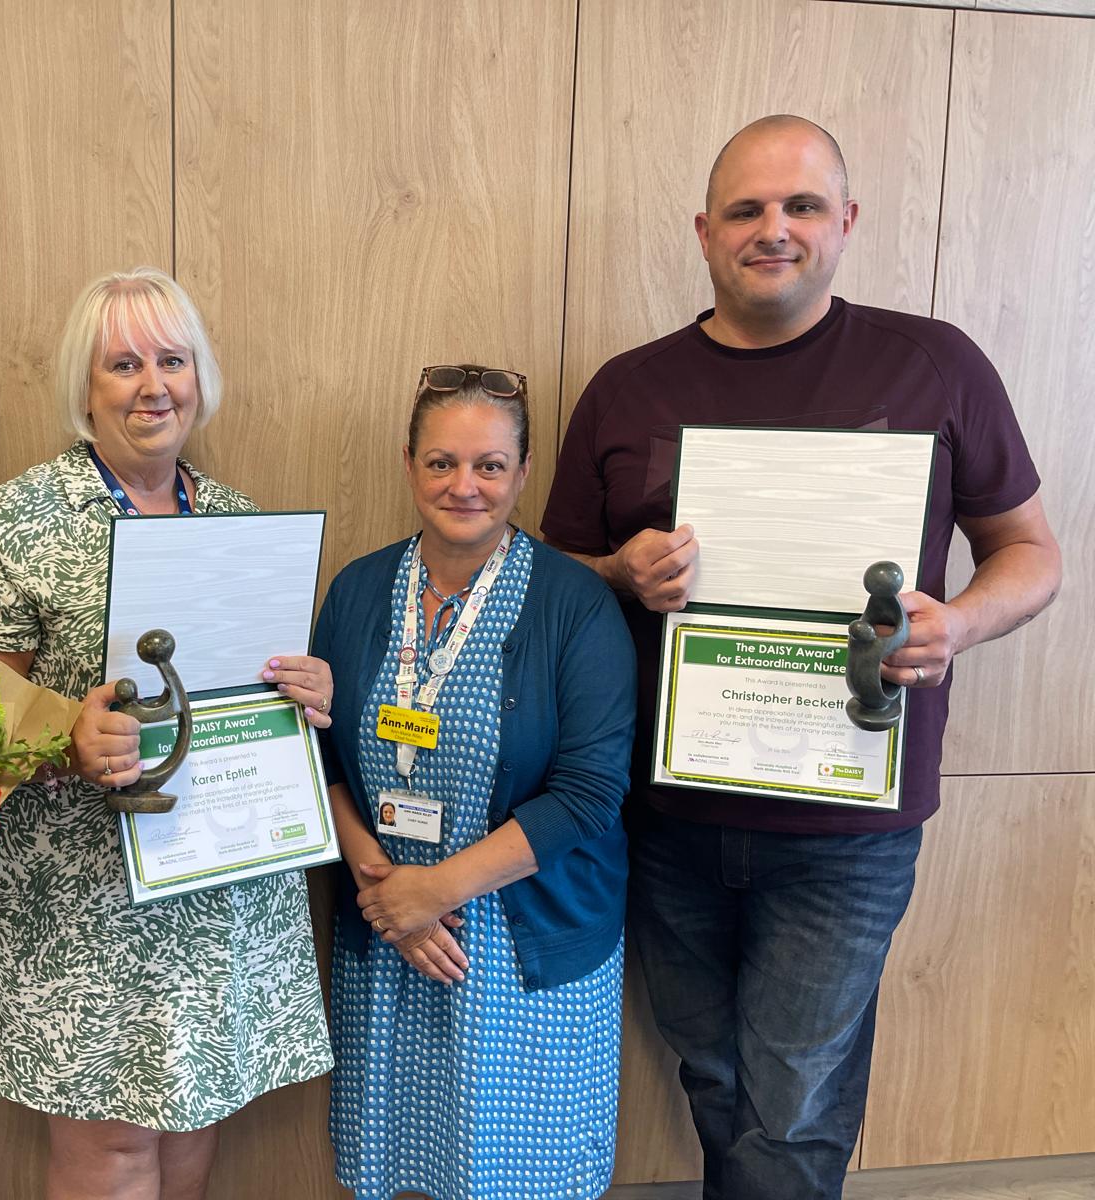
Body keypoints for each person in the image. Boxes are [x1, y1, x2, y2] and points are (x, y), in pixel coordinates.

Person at [542, 115, 1062, 1200]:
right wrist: (619, 571)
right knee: (715, 1072)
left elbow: (1030, 553)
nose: (772, 229)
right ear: (703, 230)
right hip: (667, 811)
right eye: (745, 209)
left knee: (794, 1097)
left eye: (801, 206)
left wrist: (955, 624)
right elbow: (553, 574)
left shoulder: (935, 365)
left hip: (847, 825)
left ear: (846, 223)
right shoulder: (627, 387)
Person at [0, 267, 333, 1200]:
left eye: (172, 359)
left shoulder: (237, 515)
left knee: (195, 1119)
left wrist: (305, 689)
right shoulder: (21, 518)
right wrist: (59, 738)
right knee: (112, 1148)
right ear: (85, 388)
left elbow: (250, 695)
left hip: (216, 868)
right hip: (83, 894)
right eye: (123, 363)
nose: (154, 384)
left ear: (200, 377)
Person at [313, 365, 637, 1200]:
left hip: (520, 938)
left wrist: (437, 891)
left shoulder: (575, 606)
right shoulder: (356, 590)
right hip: (389, 932)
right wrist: (382, 887)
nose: (465, 486)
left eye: (490, 465)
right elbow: (321, 760)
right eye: (441, 462)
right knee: (403, 1165)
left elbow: (589, 794)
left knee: (519, 1178)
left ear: (524, 473)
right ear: (410, 465)